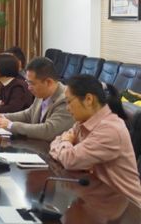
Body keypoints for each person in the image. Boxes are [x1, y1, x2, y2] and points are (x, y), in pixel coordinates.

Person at [49, 75, 141, 204]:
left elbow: (70, 160)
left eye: (69, 102)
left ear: (88, 99)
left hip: (126, 205)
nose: (67, 108)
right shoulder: (83, 121)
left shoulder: (110, 130)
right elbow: (55, 142)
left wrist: (66, 142)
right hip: (98, 195)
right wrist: (65, 146)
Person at [0, 57, 74, 141]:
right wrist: (3, 116)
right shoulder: (41, 93)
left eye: (32, 83)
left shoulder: (66, 99)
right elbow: (29, 114)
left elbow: (48, 131)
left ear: (48, 82)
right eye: (28, 82)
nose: (29, 88)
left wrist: (10, 125)